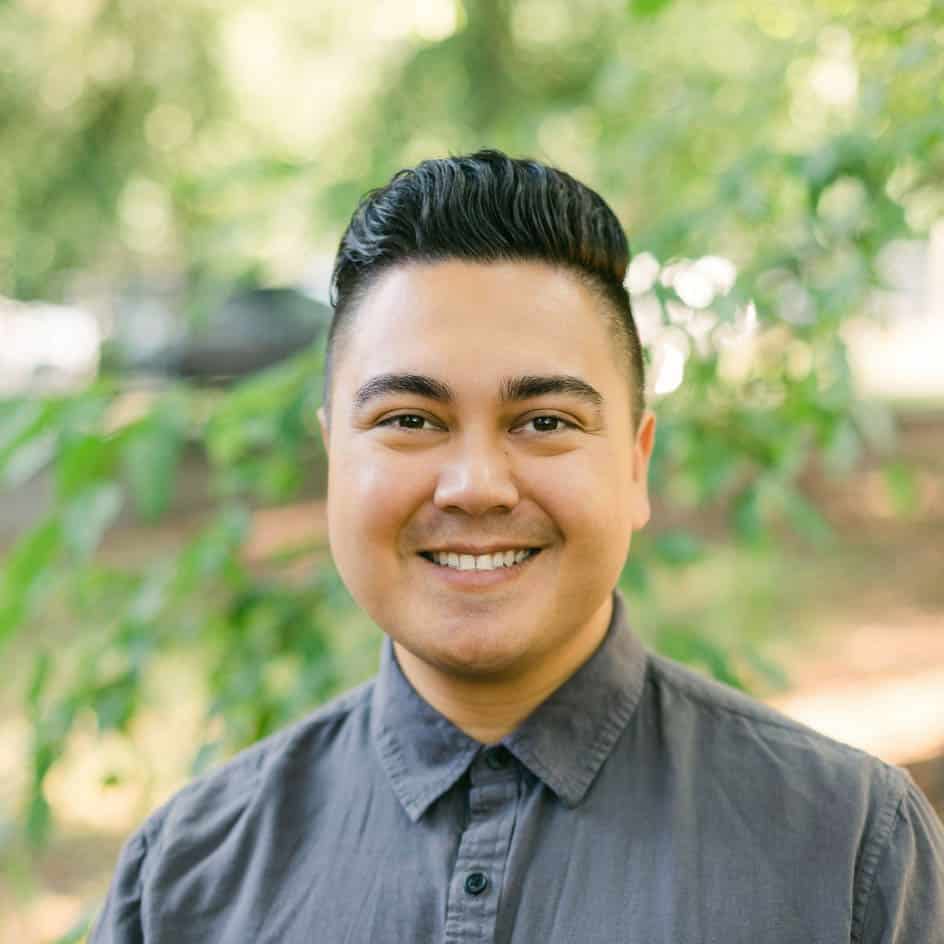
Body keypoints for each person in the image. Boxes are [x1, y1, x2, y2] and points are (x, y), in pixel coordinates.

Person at [91, 150, 944, 943]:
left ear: (636, 464)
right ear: (333, 458)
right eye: (410, 419)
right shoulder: (186, 881)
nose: (476, 486)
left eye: (544, 421)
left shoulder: (845, 851)